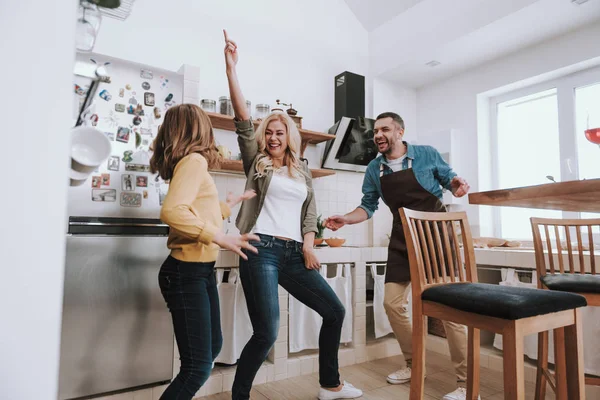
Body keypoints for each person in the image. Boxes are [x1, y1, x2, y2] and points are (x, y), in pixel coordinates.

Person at [223, 30, 363, 400]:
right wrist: (231, 68)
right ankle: (240, 396)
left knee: (334, 311)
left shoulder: (301, 168)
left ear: (290, 136)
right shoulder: (257, 163)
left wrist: (309, 245)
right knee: (267, 332)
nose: (272, 137)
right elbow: (240, 117)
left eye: (279, 132)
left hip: (293, 253)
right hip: (261, 250)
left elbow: (309, 212)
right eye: (268, 131)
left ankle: (330, 385)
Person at [325, 112, 474, 400]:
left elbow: (451, 180)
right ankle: (414, 363)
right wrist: (345, 218)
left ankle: (468, 383)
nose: (378, 135)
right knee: (393, 303)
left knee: (450, 311)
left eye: (384, 129)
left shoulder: (426, 154)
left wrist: (457, 185)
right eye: (375, 131)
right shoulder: (374, 168)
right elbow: (367, 206)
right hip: (402, 239)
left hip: (435, 238)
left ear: (400, 132)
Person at [150, 103, 260, 400]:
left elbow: (199, 210)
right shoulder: (194, 161)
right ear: (199, 128)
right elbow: (172, 211)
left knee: (211, 348)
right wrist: (220, 238)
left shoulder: (191, 163)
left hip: (197, 271)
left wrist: (228, 204)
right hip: (186, 273)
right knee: (198, 367)